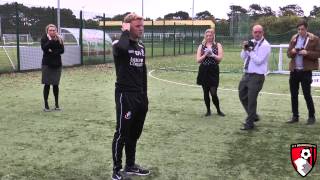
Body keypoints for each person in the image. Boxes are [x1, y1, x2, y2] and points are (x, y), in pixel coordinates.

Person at [111, 13, 150, 180]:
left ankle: (130, 165)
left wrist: (145, 96)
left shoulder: (141, 47)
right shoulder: (119, 44)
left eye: (142, 26)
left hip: (139, 96)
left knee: (134, 133)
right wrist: (125, 32)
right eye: (137, 26)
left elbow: (143, 73)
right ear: (127, 27)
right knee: (122, 133)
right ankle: (116, 170)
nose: (141, 29)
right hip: (125, 95)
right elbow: (122, 47)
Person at [286, 20, 320, 125]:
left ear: (306, 29)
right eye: (299, 29)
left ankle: (311, 116)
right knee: (294, 95)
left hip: (306, 71)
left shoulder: (314, 39)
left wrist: (307, 53)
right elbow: (288, 54)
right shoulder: (294, 38)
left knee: (307, 94)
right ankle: (295, 116)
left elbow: (318, 54)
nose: (300, 31)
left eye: (302, 29)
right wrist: (292, 52)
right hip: (294, 71)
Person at [239, 24, 271, 130]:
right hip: (247, 73)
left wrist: (250, 51)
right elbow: (243, 57)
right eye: (255, 32)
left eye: (259, 32)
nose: (257, 34)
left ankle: (250, 124)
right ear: (252, 32)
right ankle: (253, 116)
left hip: (257, 76)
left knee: (252, 99)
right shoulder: (251, 42)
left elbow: (258, 61)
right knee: (242, 95)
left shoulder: (265, 45)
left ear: (263, 33)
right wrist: (244, 49)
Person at [196, 28, 225, 117]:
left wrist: (212, 54)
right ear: (205, 36)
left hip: (213, 70)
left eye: (210, 35)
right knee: (205, 92)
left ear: (213, 36)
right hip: (204, 70)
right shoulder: (201, 46)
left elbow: (220, 58)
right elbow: (198, 60)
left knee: (213, 92)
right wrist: (205, 55)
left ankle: (218, 110)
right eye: (207, 35)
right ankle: (208, 110)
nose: (209, 37)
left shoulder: (218, 45)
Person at [41, 24, 64, 112]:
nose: (52, 32)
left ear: (56, 31)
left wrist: (52, 51)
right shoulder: (44, 39)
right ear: (47, 31)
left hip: (57, 64)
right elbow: (44, 48)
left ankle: (57, 105)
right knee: (47, 84)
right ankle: (46, 106)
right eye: (50, 30)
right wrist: (50, 41)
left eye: (54, 30)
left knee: (55, 84)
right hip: (47, 64)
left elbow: (62, 50)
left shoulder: (60, 39)